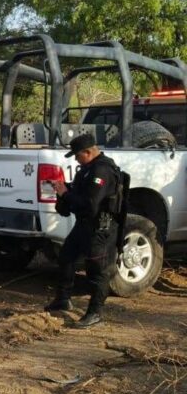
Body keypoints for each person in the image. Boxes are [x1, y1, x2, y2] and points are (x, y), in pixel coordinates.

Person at [46, 133, 125, 328]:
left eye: (77, 155)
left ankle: (95, 313)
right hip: (84, 225)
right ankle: (63, 299)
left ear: (88, 152)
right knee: (66, 257)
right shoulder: (87, 169)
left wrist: (66, 193)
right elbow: (79, 194)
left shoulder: (102, 171)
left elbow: (90, 204)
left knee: (97, 272)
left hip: (99, 228)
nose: (75, 159)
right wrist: (64, 191)